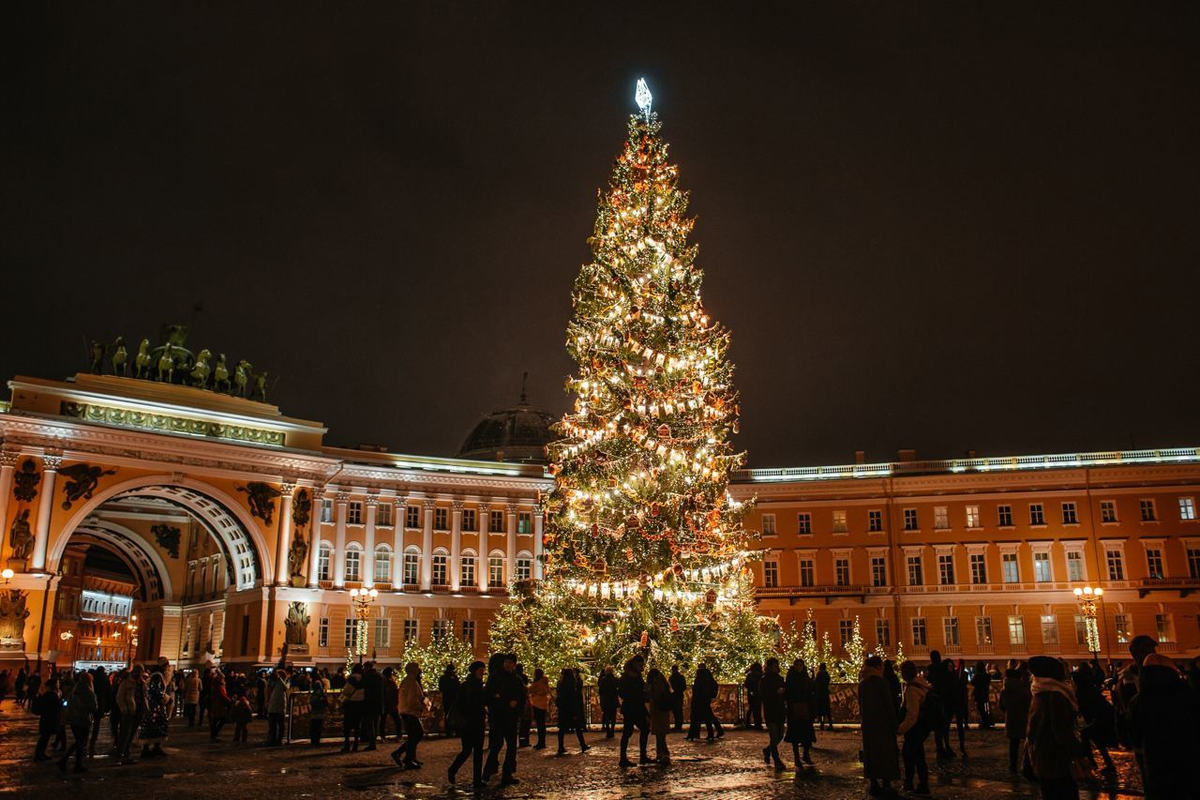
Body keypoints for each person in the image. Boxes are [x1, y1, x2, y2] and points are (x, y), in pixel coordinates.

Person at [1129, 653, 1200, 799]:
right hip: (1190, 761)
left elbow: (1132, 735)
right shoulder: (1187, 694)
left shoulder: (1139, 701)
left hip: (1156, 767)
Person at [1026, 656, 1082, 800]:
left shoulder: (1039, 693)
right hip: (1056, 757)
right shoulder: (1055, 696)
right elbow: (1061, 731)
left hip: (1042, 756)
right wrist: (1078, 750)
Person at [859, 655, 901, 798]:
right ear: (877, 667)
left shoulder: (863, 683)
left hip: (869, 724)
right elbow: (888, 705)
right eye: (881, 666)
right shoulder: (881, 683)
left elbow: (861, 705)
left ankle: (873, 782)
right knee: (885, 752)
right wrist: (894, 723)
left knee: (871, 752)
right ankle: (886, 782)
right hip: (883, 724)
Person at [483, 653, 525, 786]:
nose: (507, 664)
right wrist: (505, 701)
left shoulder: (517, 679)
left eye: (510, 662)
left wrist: (516, 704)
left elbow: (521, 696)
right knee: (496, 745)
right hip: (499, 716)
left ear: (514, 664)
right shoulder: (495, 677)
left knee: (511, 746)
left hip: (511, 717)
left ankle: (507, 774)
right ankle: (487, 770)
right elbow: (490, 695)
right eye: (506, 662)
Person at [447, 660, 487, 790]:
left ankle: (476, 780)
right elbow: (463, 704)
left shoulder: (477, 685)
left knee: (477, 752)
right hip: (469, 724)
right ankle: (453, 769)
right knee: (467, 750)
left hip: (477, 723)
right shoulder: (468, 686)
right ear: (474, 671)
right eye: (481, 670)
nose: (483, 673)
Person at [1073, 663, 1116, 775]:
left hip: (1089, 719)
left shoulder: (1082, 687)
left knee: (1089, 742)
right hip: (1093, 718)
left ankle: (1093, 764)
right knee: (1096, 742)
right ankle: (1103, 764)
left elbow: (1083, 702)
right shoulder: (1090, 683)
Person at [897, 661, 932, 795]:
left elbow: (912, 714)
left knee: (909, 754)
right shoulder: (922, 684)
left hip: (915, 728)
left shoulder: (912, 689)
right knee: (918, 755)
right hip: (923, 726)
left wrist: (901, 729)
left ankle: (913, 783)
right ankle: (921, 783)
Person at [999, 660, 1032, 774]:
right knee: (1028, 741)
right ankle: (1028, 765)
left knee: (1013, 743)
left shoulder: (1004, 689)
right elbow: (1029, 703)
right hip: (1023, 717)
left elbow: (1001, 706)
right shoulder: (1023, 689)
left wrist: (1009, 711)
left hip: (1011, 718)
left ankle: (1012, 765)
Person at [618, 655, 651, 767]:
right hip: (632, 707)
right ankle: (626, 758)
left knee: (642, 729)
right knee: (630, 731)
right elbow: (622, 692)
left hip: (636, 706)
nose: (642, 666)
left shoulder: (636, 676)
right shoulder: (627, 677)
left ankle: (639, 756)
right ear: (635, 664)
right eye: (640, 664)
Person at [391, 661, 425, 769]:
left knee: (414, 735)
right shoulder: (411, 682)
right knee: (417, 734)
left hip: (407, 711)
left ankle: (408, 757)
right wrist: (421, 705)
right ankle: (406, 758)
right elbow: (412, 699)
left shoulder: (409, 681)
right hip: (410, 712)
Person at [784, 658, 816, 767]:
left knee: (807, 735)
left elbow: (811, 689)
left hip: (805, 708)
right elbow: (788, 692)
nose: (799, 667)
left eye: (800, 665)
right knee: (795, 736)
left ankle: (805, 754)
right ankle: (797, 757)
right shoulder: (791, 677)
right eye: (797, 665)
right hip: (794, 709)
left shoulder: (805, 677)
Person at [759, 657, 787, 770]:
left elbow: (785, 692)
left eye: (777, 665)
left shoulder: (780, 678)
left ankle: (768, 750)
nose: (777, 667)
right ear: (769, 666)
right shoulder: (764, 679)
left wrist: (784, 692)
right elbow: (763, 695)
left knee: (780, 735)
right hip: (770, 710)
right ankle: (777, 760)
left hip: (780, 710)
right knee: (774, 735)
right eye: (774, 665)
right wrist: (776, 693)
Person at [926, 651, 954, 759]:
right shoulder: (942, 669)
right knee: (944, 726)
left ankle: (940, 747)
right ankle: (944, 746)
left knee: (938, 727)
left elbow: (930, 683)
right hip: (945, 700)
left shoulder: (931, 670)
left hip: (936, 700)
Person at [555, 667, 589, 754]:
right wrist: (575, 712)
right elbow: (573, 699)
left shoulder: (561, 684)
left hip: (564, 710)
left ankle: (560, 747)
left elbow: (560, 698)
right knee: (577, 728)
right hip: (571, 710)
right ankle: (582, 745)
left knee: (562, 730)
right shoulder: (572, 685)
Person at [116, 665, 146, 761]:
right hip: (129, 711)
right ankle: (121, 754)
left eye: (140, 672)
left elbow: (144, 697)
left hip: (138, 711)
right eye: (136, 671)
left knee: (132, 733)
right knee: (125, 733)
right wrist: (124, 709)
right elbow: (119, 697)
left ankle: (126, 753)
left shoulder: (142, 683)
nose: (138, 673)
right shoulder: (126, 682)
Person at [686, 662, 723, 740]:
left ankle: (695, 734)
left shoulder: (700, 679)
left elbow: (697, 691)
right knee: (708, 717)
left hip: (700, 701)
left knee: (699, 717)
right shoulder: (707, 677)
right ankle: (713, 732)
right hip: (705, 700)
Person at [138, 672, 171, 758]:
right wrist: (167, 699)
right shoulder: (156, 683)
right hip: (156, 710)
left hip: (153, 710)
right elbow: (159, 694)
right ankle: (149, 748)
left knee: (153, 729)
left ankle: (153, 748)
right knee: (155, 728)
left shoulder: (151, 684)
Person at [647, 667, 673, 765]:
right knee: (662, 734)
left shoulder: (654, 685)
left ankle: (662, 753)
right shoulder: (664, 683)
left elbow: (654, 697)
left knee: (659, 734)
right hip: (664, 710)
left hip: (657, 710)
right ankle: (663, 752)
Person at [33, 679, 61, 761]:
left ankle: (41, 754)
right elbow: (55, 705)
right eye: (57, 683)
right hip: (49, 718)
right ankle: (39, 755)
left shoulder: (47, 694)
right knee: (45, 737)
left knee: (45, 737)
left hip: (46, 718)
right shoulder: (51, 695)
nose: (59, 684)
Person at [340, 665, 364, 752]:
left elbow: (346, 691)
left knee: (347, 725)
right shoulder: (364, 679)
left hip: (351, 703)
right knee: (357, 725)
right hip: (360, 704)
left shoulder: (351, 679)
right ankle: (355, 745)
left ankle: (347, 744)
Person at [360, 661, 383, 751]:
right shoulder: (380, 676)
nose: (363, 669)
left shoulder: (367, 676)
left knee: (370, 724)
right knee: (376, 723)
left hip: (369, 703)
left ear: (367, 667)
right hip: (378, 703)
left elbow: (363, 687)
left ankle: (372, 743)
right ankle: (373, 742)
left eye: (364, 667)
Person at [266, 667, 290, 746]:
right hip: (275, 707)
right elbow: (269, 687)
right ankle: (274, 740)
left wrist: (278, 677)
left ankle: (277, 740)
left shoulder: (282, 683)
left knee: (278, 725)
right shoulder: (276, 683)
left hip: (278, 707)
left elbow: (285, 687)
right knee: (275, 726)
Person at [528, 668, 550, 749]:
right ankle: (542, 742)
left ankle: (541, 742)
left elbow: (529, 690)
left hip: (537, 704)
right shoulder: (545, 682)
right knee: (542, 725)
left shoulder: (537, 683)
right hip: (543, 704)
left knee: (540, 724)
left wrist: (534, 693)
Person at [438, 664, 460, 738]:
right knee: (452, 715)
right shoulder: (452, 678)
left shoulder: (444, 678)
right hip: (451, 699)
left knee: (450, 715)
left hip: (449, 699)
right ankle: (452, 731)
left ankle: (450, 731)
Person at [208, 671, 231, 742]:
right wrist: (229, 701)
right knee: (220, 719)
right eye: (223, 679)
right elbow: (222, 696)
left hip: (217, 705)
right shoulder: (219, 686)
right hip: (218, 705)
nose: (224, 680)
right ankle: (214, 735)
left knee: (216, 720)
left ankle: (214, 735)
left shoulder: (217, 685)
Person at [598, 666, 619, 738]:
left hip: (606, 700)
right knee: (613, 716)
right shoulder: (615, 679)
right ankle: (612, 730)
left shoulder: (603, 680)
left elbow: (600, 691)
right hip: (613, 699)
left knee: (606, 715)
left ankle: (608, 730)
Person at [971, 660, 992, 729]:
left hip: (978, 694)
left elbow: (972, 683)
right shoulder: (987, 675)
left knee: (981, 709)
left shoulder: (977, 675)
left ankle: (984, 722)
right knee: (985, 709)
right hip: (985, 694)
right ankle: (986, 722)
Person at [308, 680, 329, 745]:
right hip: (320, 712)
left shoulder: (314, 694)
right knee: (318, 727)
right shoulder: (322, 694)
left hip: (314, 713)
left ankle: (313, 740)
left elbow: (311, 702)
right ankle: (317, 740)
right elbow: (326, 703)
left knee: (314, 727)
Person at [744, 662, 763, 730]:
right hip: (757, 694)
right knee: (756, 709)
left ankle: (751, 723)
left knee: (752, 708)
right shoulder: (760, 675)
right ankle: (757, 723)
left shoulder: (750, 675)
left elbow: (747, 684)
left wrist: (751, 690)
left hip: (752, 694)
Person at [814, 662, 832, 731]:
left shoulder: (819, 674)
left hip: (820, 694)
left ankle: (822, 723)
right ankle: (830, 723)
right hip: (825, 693)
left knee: (820, 710)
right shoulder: (827, 674)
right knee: (827, 710)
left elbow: (816, 682)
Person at [668, 665, 687, 732]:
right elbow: (684, 687)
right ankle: (678, 726)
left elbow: (683, 687)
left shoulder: (674, 677)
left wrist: (676, 690)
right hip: (676, 695)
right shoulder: (679, 677)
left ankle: (678, 726)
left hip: (676, 695)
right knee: (676, 711)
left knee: (677, 711)